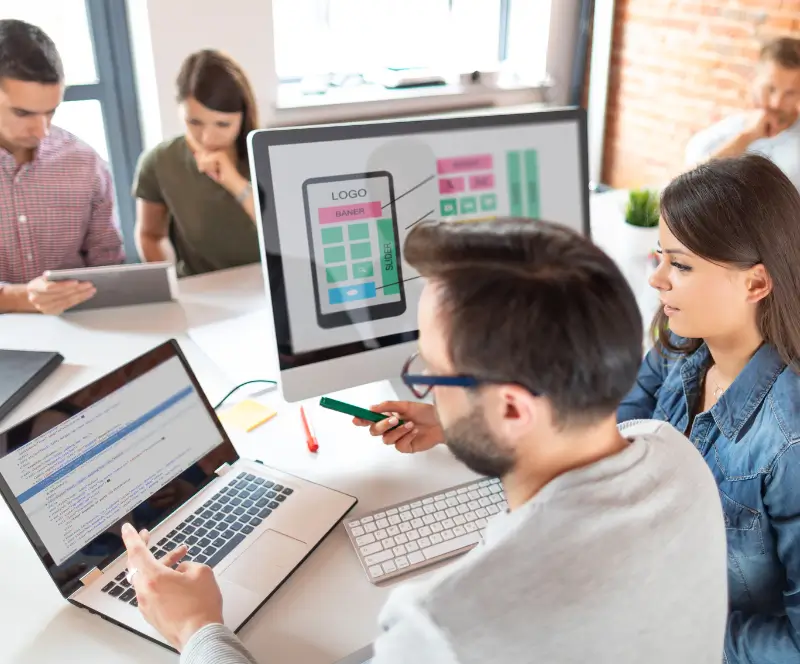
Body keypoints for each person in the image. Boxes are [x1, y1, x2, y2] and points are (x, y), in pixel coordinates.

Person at [121, 218, 728, 663]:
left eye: (431, 374)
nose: (428, 392)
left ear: (513, 408)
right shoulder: (675, 454)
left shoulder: (441, 627)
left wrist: (196, 628)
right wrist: (463, 422)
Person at [617, 154, 800, 662]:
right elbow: (614, 425)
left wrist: (673, 632)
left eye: (680, 264)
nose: (657, 280)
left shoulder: (791, 446)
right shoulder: (684, 347)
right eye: (660, 257)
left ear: (756, 283)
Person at [0, 19, 124, 315]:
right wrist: (22, 298)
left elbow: (109, 267)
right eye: (23, 113)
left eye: (51, 112)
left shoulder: (85, 163)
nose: (41, 130)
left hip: (80, 331)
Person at [133, 50, 261, 278]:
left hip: (268, 287)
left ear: (243, 116)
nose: (207, 138)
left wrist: (236, 184)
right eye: (194, 122)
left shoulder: (267, 154)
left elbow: (286, 237)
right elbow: (150, 235)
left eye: (223, 124)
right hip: (202, 293)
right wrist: (173, 284)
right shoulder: (160, 162)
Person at [685, 37, 800, 190]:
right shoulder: (726, 130)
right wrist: (747, 137)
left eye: (790, 93)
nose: (776, 103)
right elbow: (688, 183)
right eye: (771, 89)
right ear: (756, 80)